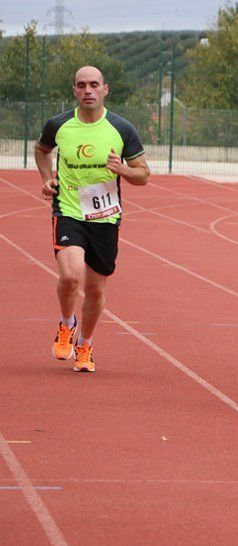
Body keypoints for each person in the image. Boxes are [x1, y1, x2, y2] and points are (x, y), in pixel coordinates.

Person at [34, 66, 150, 373]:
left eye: (94, 85)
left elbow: (143, 175)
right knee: (71, 277)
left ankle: (85, 345)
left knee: (96, 289)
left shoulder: (121, 128)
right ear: (74, 90)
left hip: (105, 217)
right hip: (69, 210)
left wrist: (122, 169)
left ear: (105, 89)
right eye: (82, 85)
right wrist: (47, 179)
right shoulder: (59, 125)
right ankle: (65, 323)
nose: (88, 90)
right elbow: (41, 150)